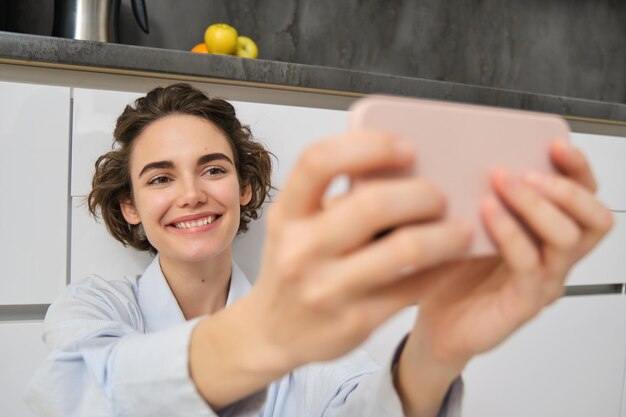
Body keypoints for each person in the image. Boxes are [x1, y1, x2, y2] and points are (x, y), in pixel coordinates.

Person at [25, 83, 613, 417]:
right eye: (159, 178)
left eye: (213, 169)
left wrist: (438, 349)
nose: (192, 194)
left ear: (245, 187)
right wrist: (264, 338)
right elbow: (63, 399)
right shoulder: (92, 310)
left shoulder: (323, 340)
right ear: (129, 207)